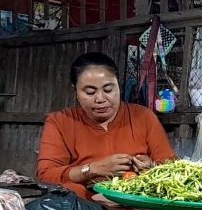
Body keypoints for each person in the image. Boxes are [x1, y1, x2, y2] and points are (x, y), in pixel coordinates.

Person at [37, 52, 176, 199]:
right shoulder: (59, 122)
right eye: (90, 92)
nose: (101, 99)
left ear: (119, 86)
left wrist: (152, 168)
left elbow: (173, 167)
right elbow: (47, 175)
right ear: (75, 91)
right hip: (84, 207)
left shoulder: (143, 117)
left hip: (137, 200)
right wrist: (92, 169)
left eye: (108, 90)